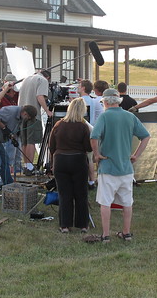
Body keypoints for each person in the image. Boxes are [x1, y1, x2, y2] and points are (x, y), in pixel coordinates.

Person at [90, 88, 150, 243]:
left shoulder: (104, 117)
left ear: (105, 102)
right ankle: (127, 233)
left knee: (105, 202)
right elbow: (145, 136)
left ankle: (105, 235)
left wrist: (96, 155)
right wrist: (136, 155)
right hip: (126, 167)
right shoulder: (130, 116)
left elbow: (94, 136)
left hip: (108, 167)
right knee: (127, 202)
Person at [49, 98, 92, 233]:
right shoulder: (83, 126)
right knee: (81, 194)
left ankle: (64, 225)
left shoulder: (58, 125)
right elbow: (88, 147)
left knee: (64, 194)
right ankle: (82, 224)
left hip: (60, 161)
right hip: (78, 160)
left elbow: (52, 146)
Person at [0, 105, 37, 194]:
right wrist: (4, 128)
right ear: (25, 113)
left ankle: (9, 186)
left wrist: (13, 137)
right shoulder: (11, 111)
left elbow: (13, 129)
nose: (28, 120)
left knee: (5, 162)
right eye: (28, 118)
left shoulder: (20, 118)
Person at [17, 69, 53, 174]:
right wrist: (47, 110)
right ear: (48, 78)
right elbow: (40, 96)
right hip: (33, 114)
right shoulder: (42, 80)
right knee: (31, 141)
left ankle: (26, 166)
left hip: (22, 113)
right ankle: (30, 167)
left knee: (24, 141)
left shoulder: (26, 79)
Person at [0, 74, 21, 176]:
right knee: (9, 155)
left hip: (17, 128)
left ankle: (18, 176)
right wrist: (5, 89)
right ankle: (6, 177)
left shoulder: (16, 94)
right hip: (7, 129)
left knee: (18, 156)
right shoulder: (1, 94)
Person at [77, 79, 101, 189]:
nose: (78, 87)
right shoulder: (94, 101)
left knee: (86, 157)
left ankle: (89, 181)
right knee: (90, 157)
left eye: (79, 85)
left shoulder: (80, 101)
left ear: (83, 88)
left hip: (82, 130)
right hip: (91, 129)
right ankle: (92, 180)